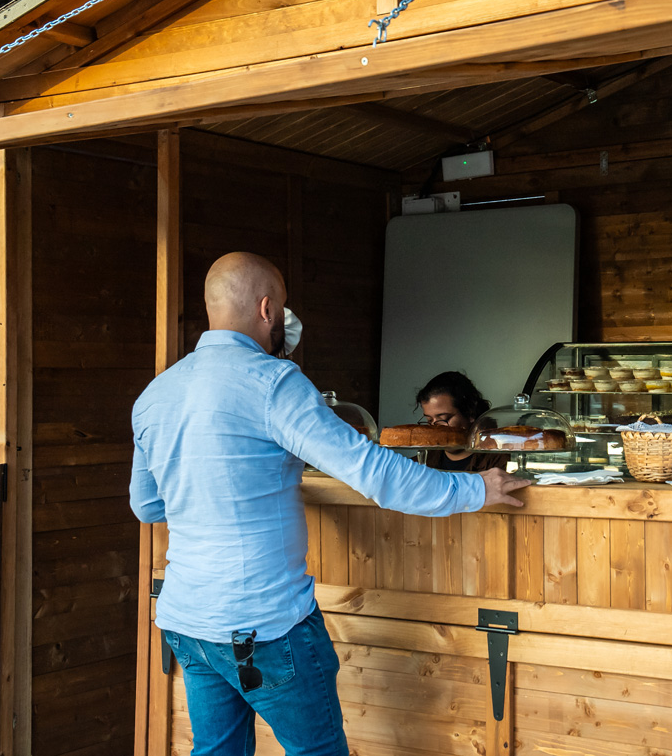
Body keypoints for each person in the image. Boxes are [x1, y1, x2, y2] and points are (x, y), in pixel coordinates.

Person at [128, 252, 529, 756]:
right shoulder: (274, 383)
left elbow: (146, 506)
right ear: (267, 309)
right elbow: (373, 472)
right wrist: (476, 489)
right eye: (283, 308)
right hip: (265, 625)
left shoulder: (155, 394)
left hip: (188, 622)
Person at [416, 371, 511, 472]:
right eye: (429, 420)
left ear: (470, 413)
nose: (435, 428)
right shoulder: (419, 464)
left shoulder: (500, 463)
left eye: (444, 419)